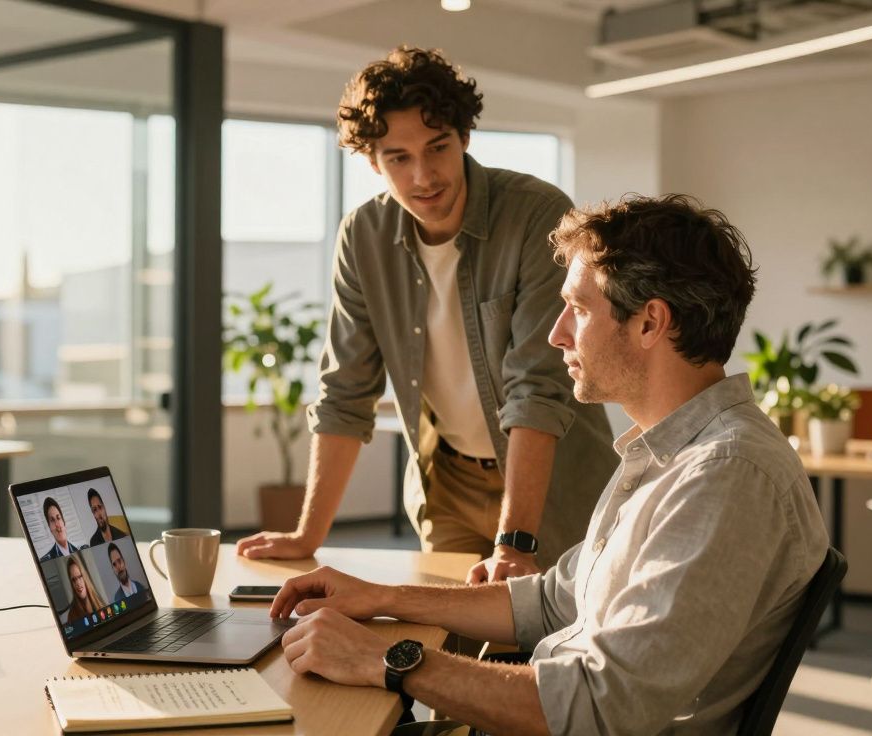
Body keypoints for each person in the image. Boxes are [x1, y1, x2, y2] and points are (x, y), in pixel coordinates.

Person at [268, 194, 830, 735]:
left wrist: (390, 657)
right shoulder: (668, 454)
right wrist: (384, 596)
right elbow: (552, 598)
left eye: (579, 309)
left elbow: (598, 708)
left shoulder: (724, 477)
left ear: (650, 322)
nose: (557, 333)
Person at [237, 46, 618, 582]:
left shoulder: (535, 214)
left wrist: (514, 542)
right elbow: (346, 390)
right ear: (373, 161)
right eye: (398, 157)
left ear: (464, 137)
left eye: (437, 147)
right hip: (449, 486)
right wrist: (307, 535)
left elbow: (536, 388)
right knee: (439, 647)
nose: (423, 176)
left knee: (556, 645)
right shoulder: (363, 238)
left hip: (552, 481)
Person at [37, 496, 80, 562]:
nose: (57, 524)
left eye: (58, 518)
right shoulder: (46, 560)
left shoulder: (79, 550)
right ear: (49, 527)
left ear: (63, 522)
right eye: (52, 520)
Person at [65, 556, 107, 622]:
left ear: (85, 577)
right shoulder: (72, 615)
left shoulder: (99, 601)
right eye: (74, 580)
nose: (78, 583)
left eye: (80, 577)